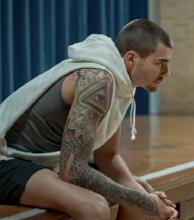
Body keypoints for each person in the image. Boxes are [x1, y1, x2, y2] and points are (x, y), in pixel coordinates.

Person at [0, 19, 178, 220]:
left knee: (138, 193)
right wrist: (144, 201)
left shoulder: (122, 83)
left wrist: (141, 194)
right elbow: (73, 172)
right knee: (95, 207)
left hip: (47, 164)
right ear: (131, 59)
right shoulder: (97, 80)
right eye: (160, 63)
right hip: (8, 160)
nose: (167, 73)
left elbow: (108, 156)